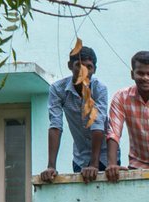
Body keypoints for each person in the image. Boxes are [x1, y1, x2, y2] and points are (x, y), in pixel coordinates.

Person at [39, 41, 107, 182]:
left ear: (94, 69)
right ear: (70, 66)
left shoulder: (99, 88)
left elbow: (98, 124)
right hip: (80, 158)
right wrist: (51, 166)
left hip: (104, 155)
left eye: (89, 67)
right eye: (79, 66)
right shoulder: (58, 89)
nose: (84, 71)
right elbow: (55, 125)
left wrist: (94, 165)